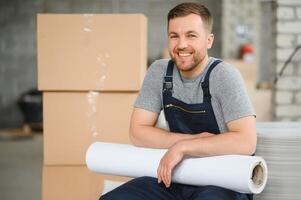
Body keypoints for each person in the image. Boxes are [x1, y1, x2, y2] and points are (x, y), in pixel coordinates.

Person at [100, 2, 256, 200]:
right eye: (174, 36)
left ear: (209, 40)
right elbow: (137, 132)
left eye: (191, 35)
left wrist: (183, 147)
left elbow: (246, 141)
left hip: (222, 180)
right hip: (175, 175)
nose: (181, 44)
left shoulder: (224, 76)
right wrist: (189, 141)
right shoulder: (159, 72)